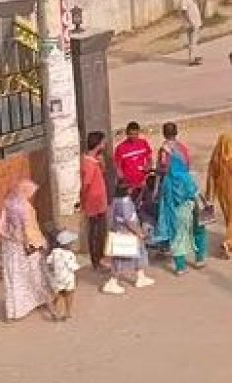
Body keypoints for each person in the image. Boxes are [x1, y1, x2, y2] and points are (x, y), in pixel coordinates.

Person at [0, 179, 55, 321]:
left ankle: (15, 311)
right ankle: (42, 299)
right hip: (25, 246)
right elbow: (29, 229)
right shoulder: (24, 207)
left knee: (15, 276)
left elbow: (2, 226)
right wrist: (40, 243)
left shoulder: (8, 203)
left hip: (10, 246)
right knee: (36, 273)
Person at [152, 147, 204, 274]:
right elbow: (194, 193)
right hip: (189, 209)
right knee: (199, 231)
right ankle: (199, 258)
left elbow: (164, 199)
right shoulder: (185, 177)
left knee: (177, 237)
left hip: (174, 212)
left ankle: (180, 267)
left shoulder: (167, 180)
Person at [103, 181, 156, 293]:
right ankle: (112, 282)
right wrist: (138, 232)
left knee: (138, 254)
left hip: (120, 231)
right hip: (127, 233)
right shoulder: (125, 202)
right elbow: (129, 220)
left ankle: (141, 277)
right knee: (121, 258)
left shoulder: (115, 200)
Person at [78, 132, 110, 270]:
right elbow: (87, 183)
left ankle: (99, 258)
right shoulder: (89, 162)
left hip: (98, 200)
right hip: (94, 201)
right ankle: (97, 260)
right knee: (97, 231)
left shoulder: (94, 160)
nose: (104, 144)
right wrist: (84, 199)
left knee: (99, 230)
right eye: (103, 142)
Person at [46, 230, 80, 321]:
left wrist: (53, 270)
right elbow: (73, 268)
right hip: (68, 278)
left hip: (57, 277)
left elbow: (49, 262)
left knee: (56, 294)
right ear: (68, 244)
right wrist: (77, 278)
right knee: (69, 294)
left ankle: (54, 310)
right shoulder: (70, 255)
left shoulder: (54, 252)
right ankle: (67, 312)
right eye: (72, 243)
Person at [178, 0, 203, 66]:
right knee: (192, 42)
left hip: (195, 23)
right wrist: (190, 23)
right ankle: (191, 59)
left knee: (194, 41)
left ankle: (194, 56)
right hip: (191, 24)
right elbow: (184, 12)